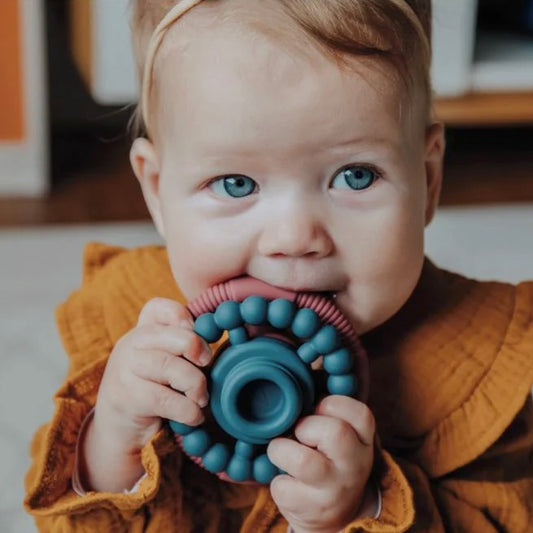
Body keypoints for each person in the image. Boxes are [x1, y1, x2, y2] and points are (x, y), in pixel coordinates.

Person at [24, 0, 533, 531]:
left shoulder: (479, 363)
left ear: (428, 180)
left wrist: (359, 510)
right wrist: (112, 439)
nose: (295, 239)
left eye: (355, 176)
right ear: (157, 192)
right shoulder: (130, 333)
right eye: (235, 184)